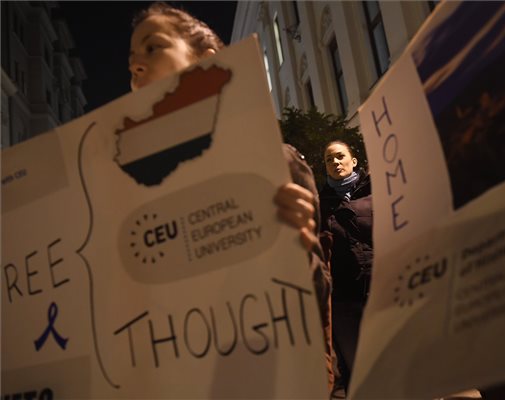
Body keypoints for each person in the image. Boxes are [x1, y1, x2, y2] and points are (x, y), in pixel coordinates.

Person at [128, 1, 336, 394]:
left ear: (206, 60)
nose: (137, 66)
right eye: (131, 62)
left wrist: (298, 247)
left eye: (153, 47)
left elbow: (315, 298)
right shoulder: (130, 192)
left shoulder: (274, 163)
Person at [319, 140, 373, 395]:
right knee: (360, 372)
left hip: (383, 289)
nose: (335, 162)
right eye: (329, 159)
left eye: (340, 156)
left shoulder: (377, 190)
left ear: (354, 161)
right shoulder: (320, 204)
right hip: (344, 301)